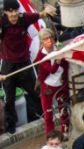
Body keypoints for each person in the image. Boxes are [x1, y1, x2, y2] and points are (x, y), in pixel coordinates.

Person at [0, 0, 53, 133]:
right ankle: (11, 124)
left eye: (15, 11)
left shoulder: (24, 18)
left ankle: (44, 114)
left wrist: (48, 9)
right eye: (10, 11)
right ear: (5, 12)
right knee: (9, 97)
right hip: (8, 64)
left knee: (35, 91)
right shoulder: (1, 22)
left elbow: (41, 14)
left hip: (24, 62)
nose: (13, 14)